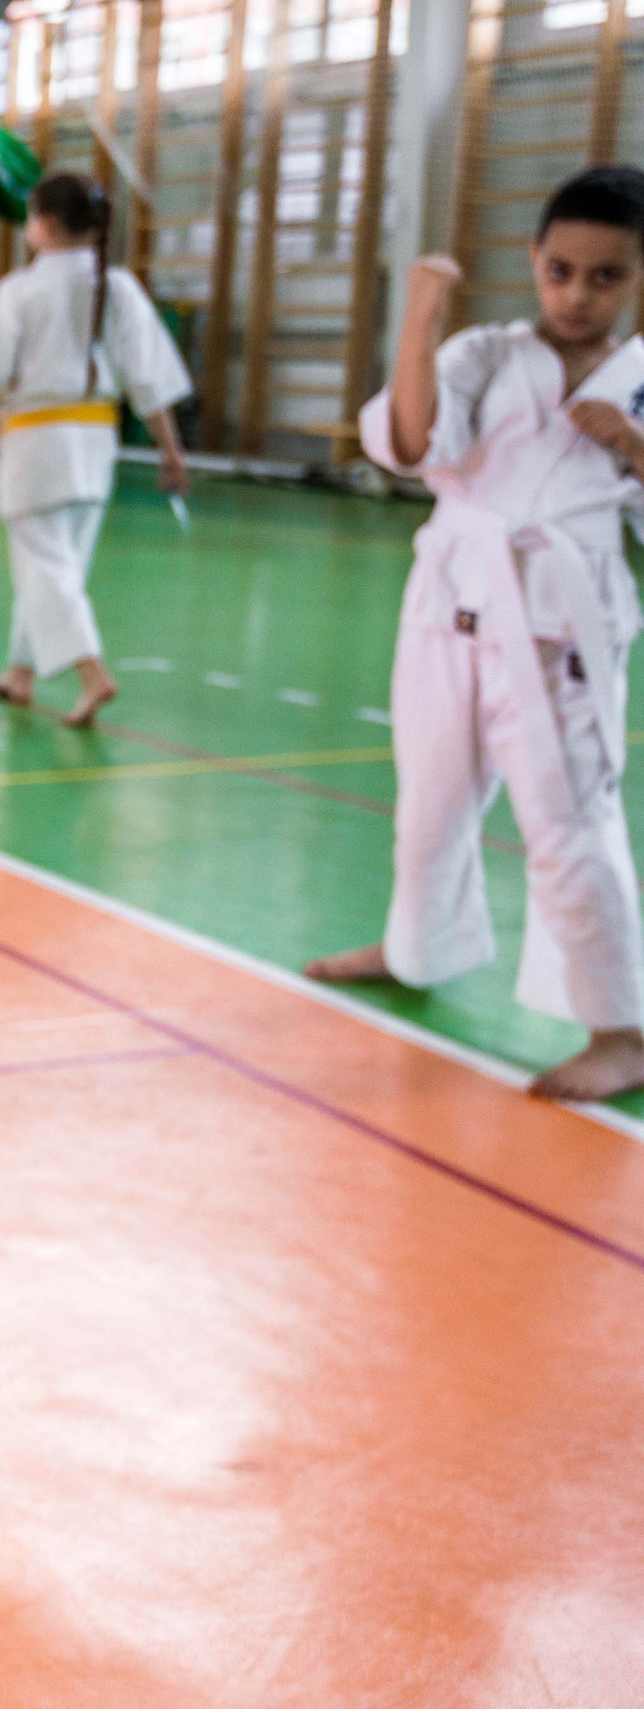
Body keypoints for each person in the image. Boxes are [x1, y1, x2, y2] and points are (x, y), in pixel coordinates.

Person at [306, 166, 644, 1102]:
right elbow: (412, 445)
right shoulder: (484, 352)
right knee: (429, 802)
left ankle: (622, 1027)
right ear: (535, 262)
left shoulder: (641, 378)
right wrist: (419, 318)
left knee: (570, 817)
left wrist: (632, 446)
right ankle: (417, 949)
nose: (578, 294)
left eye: (607, 277)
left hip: (560, 626)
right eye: (562, 270)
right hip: (448, 603)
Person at [0, 170, 192, 728]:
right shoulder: (117, 286)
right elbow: (149, 379)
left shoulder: (21, 290)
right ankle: (20, 674)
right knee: (56, 562)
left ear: (45, 224)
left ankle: (92, 674)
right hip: (97, 442)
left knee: (48, 567)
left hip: (37, 444)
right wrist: (171, 448)